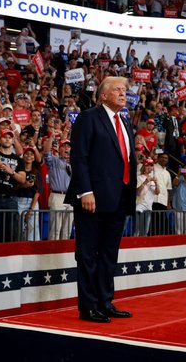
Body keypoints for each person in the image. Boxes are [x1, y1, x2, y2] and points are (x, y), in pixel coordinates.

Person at [66, 76, 136, 323]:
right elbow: (79, 157)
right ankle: (88, 306)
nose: (123, 93)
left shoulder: (125, 122)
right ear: (103, 95)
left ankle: (105, 302)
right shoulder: (89, 117)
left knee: (108, 254)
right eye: (117, 89)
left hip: (119, 199)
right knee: (87, 254)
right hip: (92, 198)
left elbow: (126, 161)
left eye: (125, 90)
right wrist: (85, 191)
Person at [44, 136, 73, 240]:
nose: (66, 149)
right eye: (64, 146)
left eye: (68, 147)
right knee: (55, 229)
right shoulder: (54, 161)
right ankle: (52, 253)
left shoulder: (75, 163)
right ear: (59, 149)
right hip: (57, 195)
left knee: (67, 230)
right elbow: (46, 152)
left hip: (71, 197)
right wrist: (51, 137)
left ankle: (64, 254)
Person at [16, 146, 42, 241]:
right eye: (27, 154)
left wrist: (31, 209)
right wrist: (23, 186)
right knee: (19, 228)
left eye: (31, 154)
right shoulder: (18, 171)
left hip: (33, 202)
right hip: (19, 200)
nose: (29, 156)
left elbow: (38, 191)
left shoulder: (37, 173)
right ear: (23, 156)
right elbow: (14, 188)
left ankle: (33, 250)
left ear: (34, 158)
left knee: (33, 228)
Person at [135, 158, 160, 236]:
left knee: (145, 233)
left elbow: (157, 193)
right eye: (147, 166)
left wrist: (156, 183)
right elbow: (137, 192)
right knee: (137, 231)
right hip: (139, 207)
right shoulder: (139, 177)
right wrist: (145, 182)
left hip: (149, 207)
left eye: (151, 166)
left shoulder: (153, 179)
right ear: (144, 167)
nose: (149, 167)